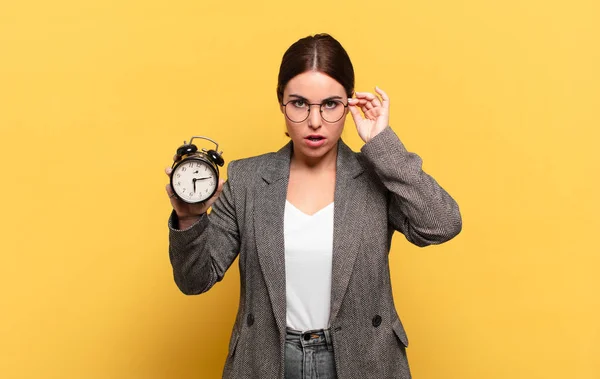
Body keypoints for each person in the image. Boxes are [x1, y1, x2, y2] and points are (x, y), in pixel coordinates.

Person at [165, 33, 462, 379]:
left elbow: (442, 224)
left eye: (331, 104)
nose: (315, 121)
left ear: (351, 104)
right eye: (300, 103)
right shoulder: (247, 179)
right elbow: (194, 279)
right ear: (281, 103)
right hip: (268, 359)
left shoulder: (376, 176)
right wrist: (189, 217)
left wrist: (383, 145)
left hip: (361, 358)